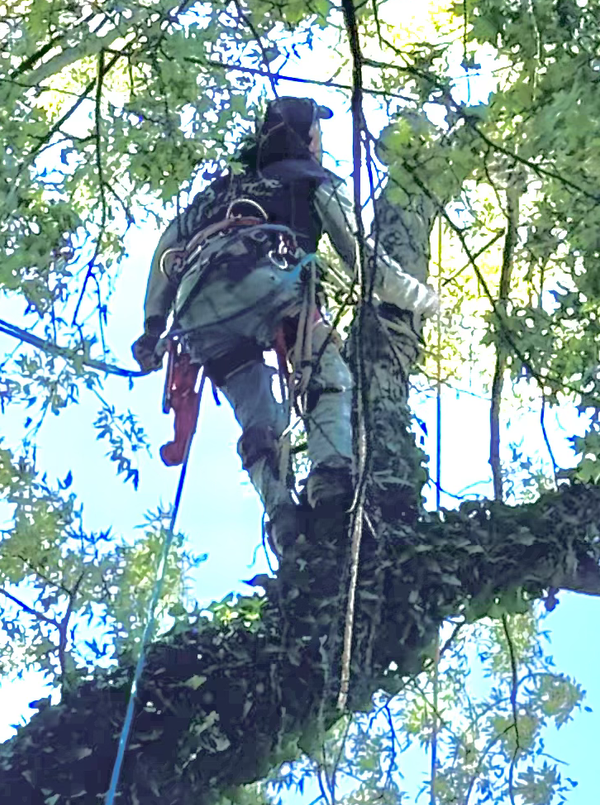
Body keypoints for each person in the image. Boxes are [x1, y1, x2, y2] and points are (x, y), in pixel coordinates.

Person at [133, 94, 431, 550]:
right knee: (327, 378)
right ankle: (331, 482)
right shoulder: (309, 178)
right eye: (319, 135)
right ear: (307, 136)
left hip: (199, 313)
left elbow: (164, 253)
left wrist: (153, 326)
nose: (322, 145)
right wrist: (421, 300)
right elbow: (365, 262)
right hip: (270, 284)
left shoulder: (215, 193)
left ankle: (279, 511)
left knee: (258, 417)